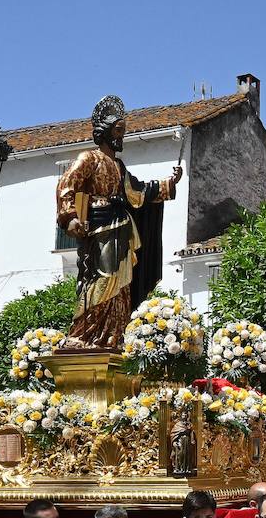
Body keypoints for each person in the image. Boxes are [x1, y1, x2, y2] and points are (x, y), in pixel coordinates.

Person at [56, 94, 181, 348]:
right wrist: (69, 217)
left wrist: (168, 184)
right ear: (105, 132)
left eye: (123, 131)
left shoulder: (119, 166)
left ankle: (113, 335)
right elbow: (66, 186)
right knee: (102, 279)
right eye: (118, 130)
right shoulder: (88, 159)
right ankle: (85, 333)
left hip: (122, 228)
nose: (121, 136)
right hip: (100, 227)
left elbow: (137, 193)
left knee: (122, 285)